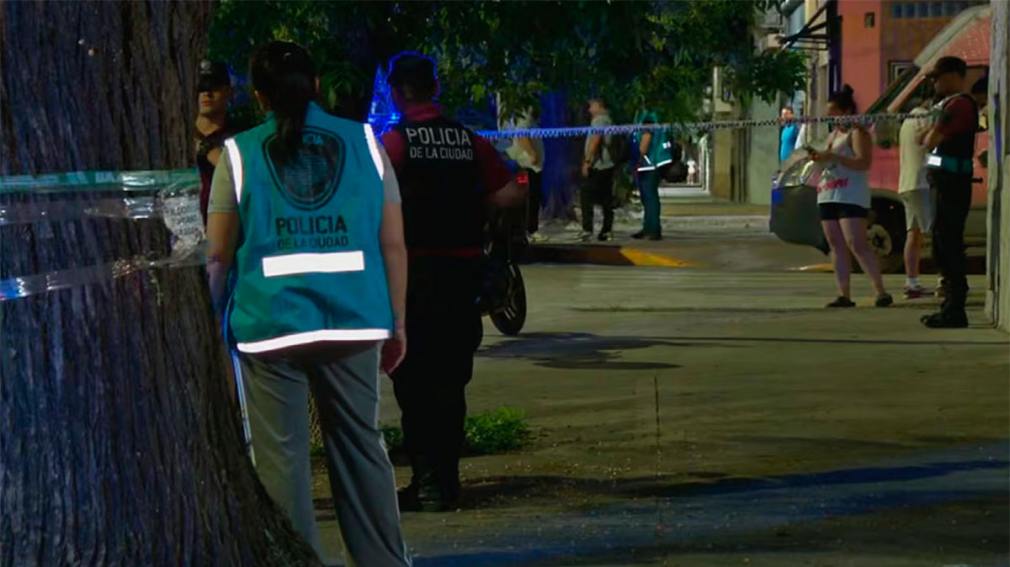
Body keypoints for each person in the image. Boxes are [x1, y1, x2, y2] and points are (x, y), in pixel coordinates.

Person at [205, 41, 411, 566]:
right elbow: (392, 243)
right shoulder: (365, 142)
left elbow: (217, 256)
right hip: (354, 319)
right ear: (316, 86)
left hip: (270, 324)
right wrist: (397, 323)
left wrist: (208, 327)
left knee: (281, 461)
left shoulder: (239, 153)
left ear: (257, 95)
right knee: (361, 447)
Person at [380, 52, 525, 512]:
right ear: (435, 88)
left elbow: (370, 199)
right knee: (451, 380)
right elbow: (510, 192)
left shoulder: (395, 143)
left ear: (396, 93)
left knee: (414, 382)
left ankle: (426, 482)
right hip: (462, 277)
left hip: (413, 278)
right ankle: (446, 480)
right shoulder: (469, 141)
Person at [810, 85, 893, 308]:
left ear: (846, 111)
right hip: (828, 192)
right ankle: (843, 294)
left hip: (850, 194)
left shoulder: (857, 133)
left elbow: (863, 162)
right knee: (835, 244)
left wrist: (835, 157)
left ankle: (880, 290)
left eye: (834, 113)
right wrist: (820, 158)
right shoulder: (833, 135)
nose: (831, 118)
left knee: (856, 242)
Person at [919, 56, 979, 328]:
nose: (935, 83)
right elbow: (924, 139)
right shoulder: (948, 105)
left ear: (954, 75)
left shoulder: (959, 105)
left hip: (953, 183)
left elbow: (930, 139)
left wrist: (931, 131)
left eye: (938, 77)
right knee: (941, 244)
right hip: (944, 182)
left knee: (949, 244)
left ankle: (956, 308)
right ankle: (949, 305)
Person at [897, 98, 935, 299]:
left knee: (913, 234)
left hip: (906, 183)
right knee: (935, 232)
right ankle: (944, 280)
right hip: (922, 182)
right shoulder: (925, 117)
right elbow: (927, 145)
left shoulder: (906, 122)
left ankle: (912, 282)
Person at [194, 60, 236, 226]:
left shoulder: (241, 139)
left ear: (229, 92)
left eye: (214, 86)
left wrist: (206, 149)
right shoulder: (173, 134)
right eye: (201, 87)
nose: (207, 93)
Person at [505, 108, 546, 242]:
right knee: (529, 199)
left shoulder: (532, 121)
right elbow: (522, 136)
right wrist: (532, 153)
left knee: (532, 199)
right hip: (527, 167)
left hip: (534, 168)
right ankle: (528, 230)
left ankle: (529, 229)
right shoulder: (525, 120)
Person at [631, 108, 672, 240]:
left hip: (648, 164)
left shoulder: (647, 118)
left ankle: (653, 229)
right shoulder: (653, 117)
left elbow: (645, 140)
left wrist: (637, 159)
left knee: (650, 198)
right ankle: (648, 227)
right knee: (648, 198)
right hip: (650, 164)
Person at [580, 97, 616, 242]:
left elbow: (595, 140)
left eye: (592, 106)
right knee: (606, 198)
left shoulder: (599, 120)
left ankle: (588, 230)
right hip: (608, 164)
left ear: (599, 106)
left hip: (598, 165)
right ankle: (606, 230)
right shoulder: (609, 120)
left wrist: (587, 161)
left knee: (586, 197)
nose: (589, 110)